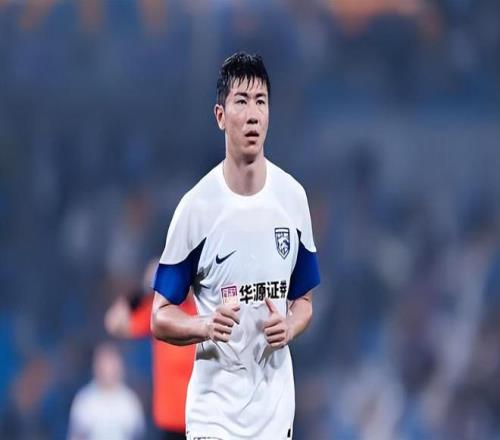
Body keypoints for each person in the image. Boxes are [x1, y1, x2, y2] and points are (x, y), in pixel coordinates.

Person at [151, 52, 320, 440]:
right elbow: (160, 316)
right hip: (214, 412)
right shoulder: (196, 208)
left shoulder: (293, 198)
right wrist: (205, 325)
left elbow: (305, 302)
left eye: (261, 101)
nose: (253, 114)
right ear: (220, 116)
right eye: (241, 101)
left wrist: (290, 325)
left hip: (274, 411)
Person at [105, 259, 196, 440]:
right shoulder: (160, 311)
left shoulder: (203, 309)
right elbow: (114, 322)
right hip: (169, 422)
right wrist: (143, 290)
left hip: (202, 419)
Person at [68, 342, 145, 440]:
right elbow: (76, 436)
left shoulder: (130, 400)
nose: (108, 369)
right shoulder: (84, 400)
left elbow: (137, 435)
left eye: (111, 364)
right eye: (104, 364)